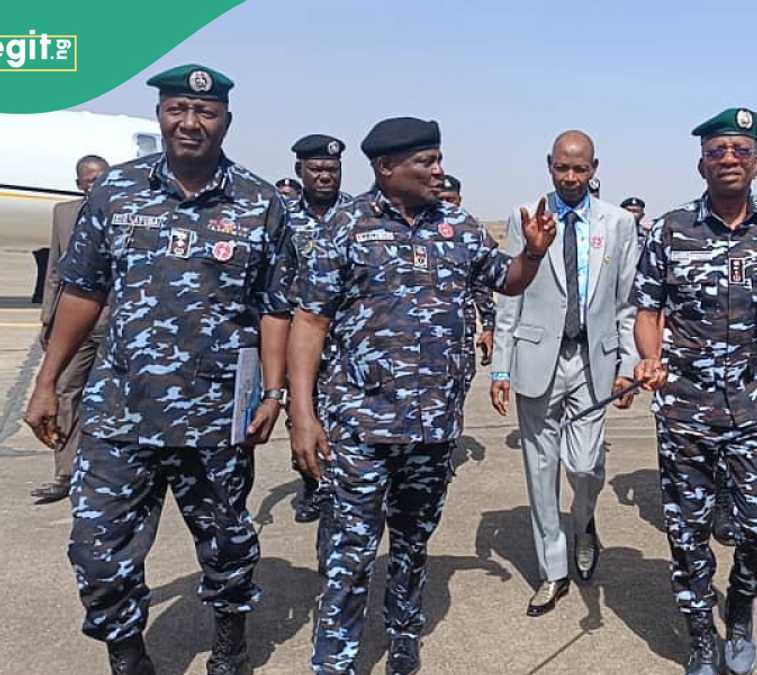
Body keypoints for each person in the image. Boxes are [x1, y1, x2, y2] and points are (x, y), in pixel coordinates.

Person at [23, 64, 292, 675]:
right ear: (160, 115)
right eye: (177, 110)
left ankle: (229, 647)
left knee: (226, 546)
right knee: (97, 552)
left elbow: (276, 305)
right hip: (120, 410)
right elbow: (82, 291)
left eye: (205, 113)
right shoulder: (115, 193)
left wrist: (272, 392)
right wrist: (47, 382)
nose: (190, 123)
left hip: (218, 413)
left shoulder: (258, 201)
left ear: (226, 121)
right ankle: (127, 655)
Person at [287, 116, 556, 675]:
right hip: (359, 425)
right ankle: (334, 656)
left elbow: (504, 282)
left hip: (432, 428)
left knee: (412, 542)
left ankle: (403, 632)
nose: (438, 170)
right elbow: (309, 322)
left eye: (438, 159)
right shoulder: (344, 226)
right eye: (425, 162)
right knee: (350, 552)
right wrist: (302, 416)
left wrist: (530, 254)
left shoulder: (458, 226)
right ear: (387, 168)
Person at [631, 107, 757, 675]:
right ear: (701, 163)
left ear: (756, 162)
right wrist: (650, 358)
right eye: (718, 152)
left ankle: (739, 607)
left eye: (740, 151)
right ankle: (701, 636)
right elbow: (647, 308)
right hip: (686, 407)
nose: (729, 160)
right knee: (687, 531)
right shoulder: (670, 229)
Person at [491, 130, 640, 617]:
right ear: (549, 166)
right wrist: (500, 366)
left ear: (595, 167)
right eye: (562, 168)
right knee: (540, 468)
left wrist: (629, 365)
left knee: (584, 464)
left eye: (580, 168)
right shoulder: (527, 217)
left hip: (593, 360)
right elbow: (510, 291)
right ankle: (552, 570)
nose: (571, 177)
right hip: (538, 360)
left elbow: (626, 302)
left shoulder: (617, 223)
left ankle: (585, 521)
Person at [31, 153, 109, 504]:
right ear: (79, 184)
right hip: (71, 321)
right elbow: (54, 273)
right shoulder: (63, 213)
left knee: (112, 396)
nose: (96, 186)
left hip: (113, 318)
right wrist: (49, 319)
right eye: (90, 181)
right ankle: (65, 473)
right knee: (64, 393)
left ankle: (110, 473)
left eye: (102, 179)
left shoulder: (126, 212)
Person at [285, 133, 354, 527]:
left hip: (347, 336)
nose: (325, 176)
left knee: (342, 414)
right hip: (302, 334)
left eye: (332, 169)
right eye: (316, 169)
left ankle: (339, 483)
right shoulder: (284, 217)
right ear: (300, 171)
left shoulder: (359, 214)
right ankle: (312, 484)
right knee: (301, 411)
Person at [438, 174, 497, 373]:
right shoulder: (416, 232)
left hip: (459, 336)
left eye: (450, 200)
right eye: (441, 199)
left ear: (459, 201)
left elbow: (482, 285)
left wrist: (488, 327)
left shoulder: (471, 233)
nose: (446, 205)